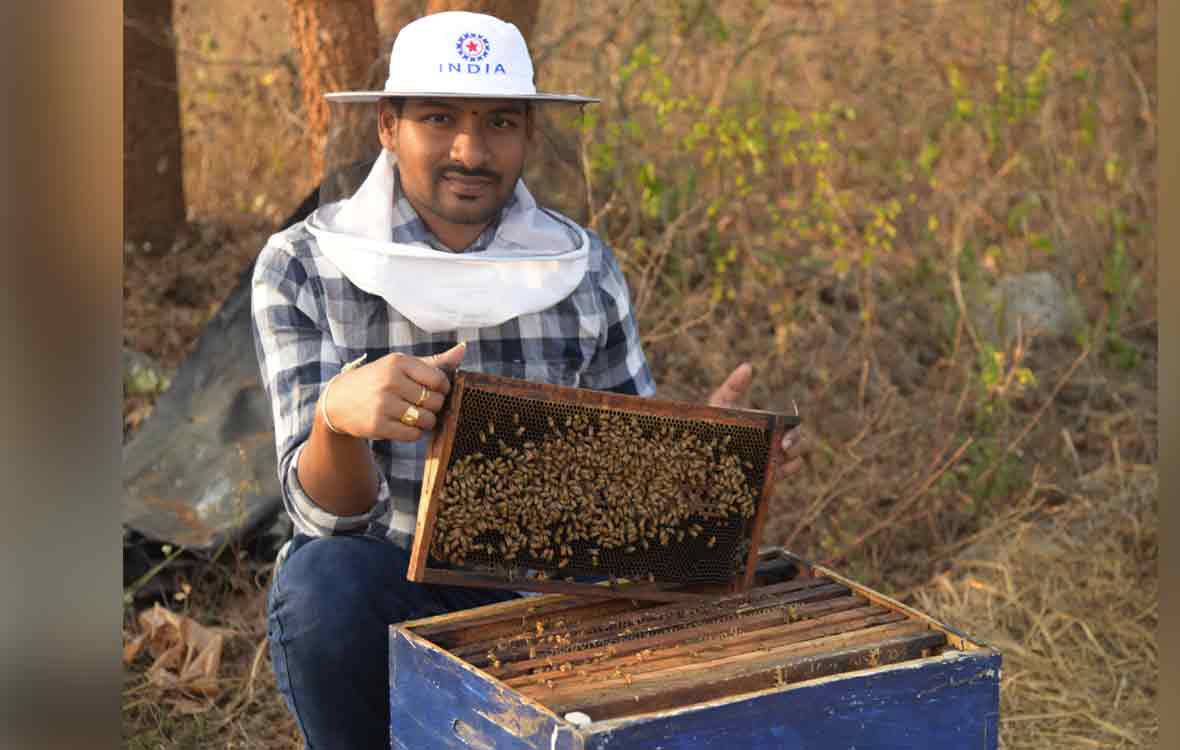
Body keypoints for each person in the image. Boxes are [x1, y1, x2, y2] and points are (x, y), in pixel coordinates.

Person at [251, 11, 808, 749]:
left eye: (500, 122)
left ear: (530, 134)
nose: (470, 151)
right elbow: (326, 522)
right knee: (324, 587)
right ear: (387, 126)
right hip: (390, 588)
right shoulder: (303, 267)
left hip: (561, 594)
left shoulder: (581, 267)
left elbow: (630, 497)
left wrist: (703, 458)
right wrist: (337, 421)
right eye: (439, 118)